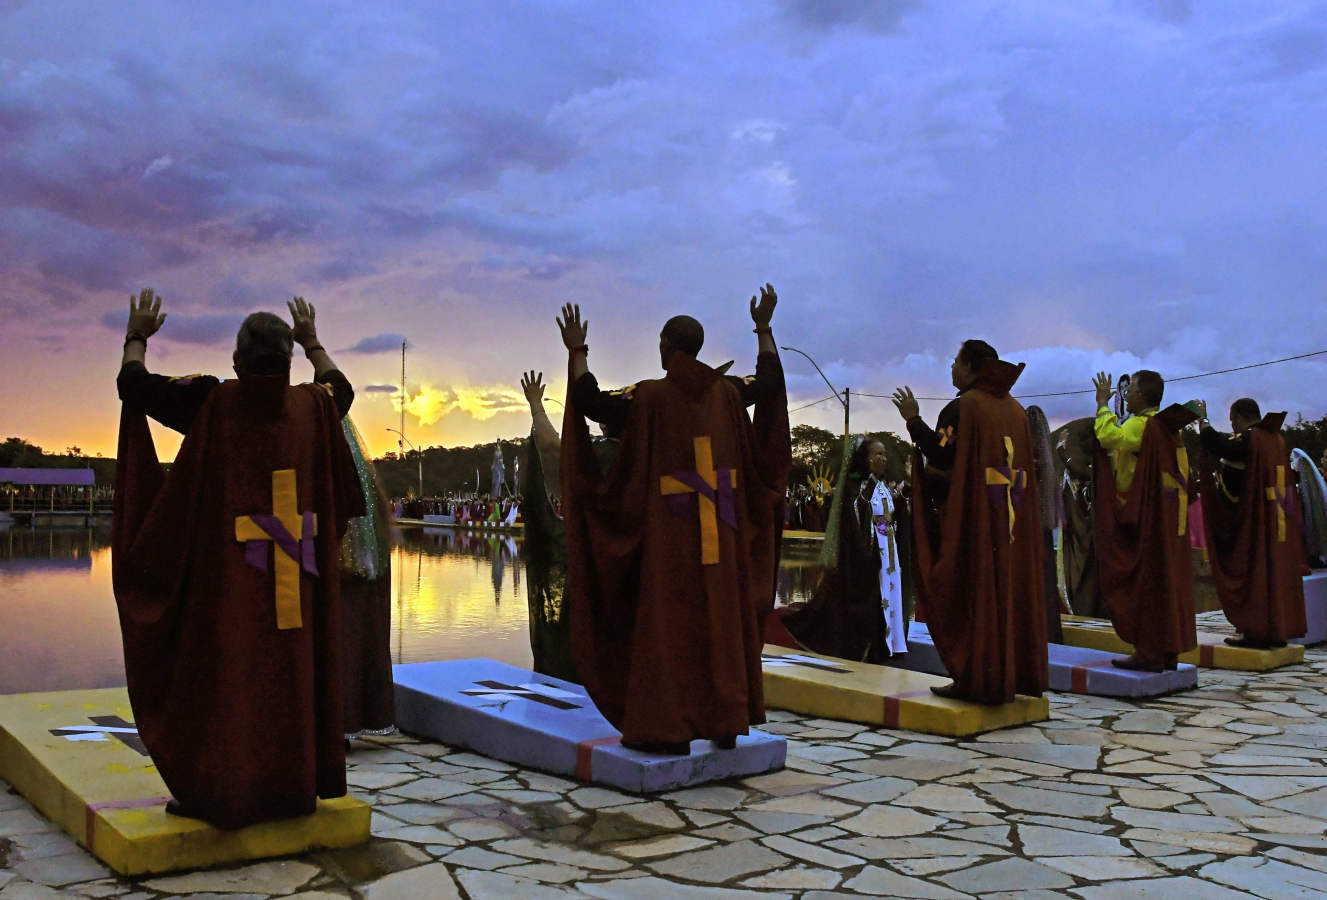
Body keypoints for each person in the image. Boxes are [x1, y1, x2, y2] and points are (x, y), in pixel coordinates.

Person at [113, 288, 363, 828]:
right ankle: (292, 788)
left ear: (235, 360)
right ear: (290, 359)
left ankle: (223, 791)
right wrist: (315, 341)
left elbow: (131, 386)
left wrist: (136, 337)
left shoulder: (211, 400)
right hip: (297, 581)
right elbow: (342, 389)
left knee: (227, 679)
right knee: (288, 676)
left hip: (229, 589)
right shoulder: (315, 408)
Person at [557, 285, 791, 754]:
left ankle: (669, 727)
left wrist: (578, 350)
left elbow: (591, 402)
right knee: (717, 624)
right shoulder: (728, 394)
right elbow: (768, 383)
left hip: (669, 543)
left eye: (662, 341)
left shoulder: (647, 397)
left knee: (670, 630)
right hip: (719, 543)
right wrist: (764, 329)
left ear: (667, 345)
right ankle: (724, 721)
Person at [892, 343, 1048, 703]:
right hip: (1009, 521)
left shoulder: (964, 407)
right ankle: (1010, 676)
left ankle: (975, 678)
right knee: (1006, 597)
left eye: (955, 361)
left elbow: (942, 453)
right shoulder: (1016, 410)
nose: (950, 367)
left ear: (971, 367)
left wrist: (912, 419)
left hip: (974, 523)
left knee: (970, 595)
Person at [1091, 370, 1196, 672]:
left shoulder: (1143, 425)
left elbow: (1108, 437)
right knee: (1165, 582)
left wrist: (1102, 404)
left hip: (1141, 513)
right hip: (1167, 515)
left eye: (1131, 388)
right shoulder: (1167, 427)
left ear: (1142, 394)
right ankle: (1167, 650)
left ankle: (1149, 651)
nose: (1126, 393)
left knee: (1144, 583)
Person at [774, 437, 910, 662]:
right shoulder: (853, 489)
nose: (883, 458)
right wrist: (868, 555)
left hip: (877, 560)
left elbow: (888, 518)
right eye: (877, 454)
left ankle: (878, 646)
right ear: (865, 459)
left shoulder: (881, 487)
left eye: (884, 453)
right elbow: (855, 526)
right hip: (856, 564)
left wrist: (908, 488)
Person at [1196, 398, 1306, 648]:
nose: (1232, 424)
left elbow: (1223, 446)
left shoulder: (1254, 438)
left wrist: (1203, 420)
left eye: (1233, 419)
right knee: (1271, 576)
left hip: (1255, 521)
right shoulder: (1275, 438)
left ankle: (1257, 631)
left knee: (1256, 576)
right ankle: (1274, 629)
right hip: (1275, 520)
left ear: (1240, 417)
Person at [338, 418, 396, 740]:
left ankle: (342, 722)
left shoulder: (340, 474)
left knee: (343, 647)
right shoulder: (368, 482)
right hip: (363, 578)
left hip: (343, 578)